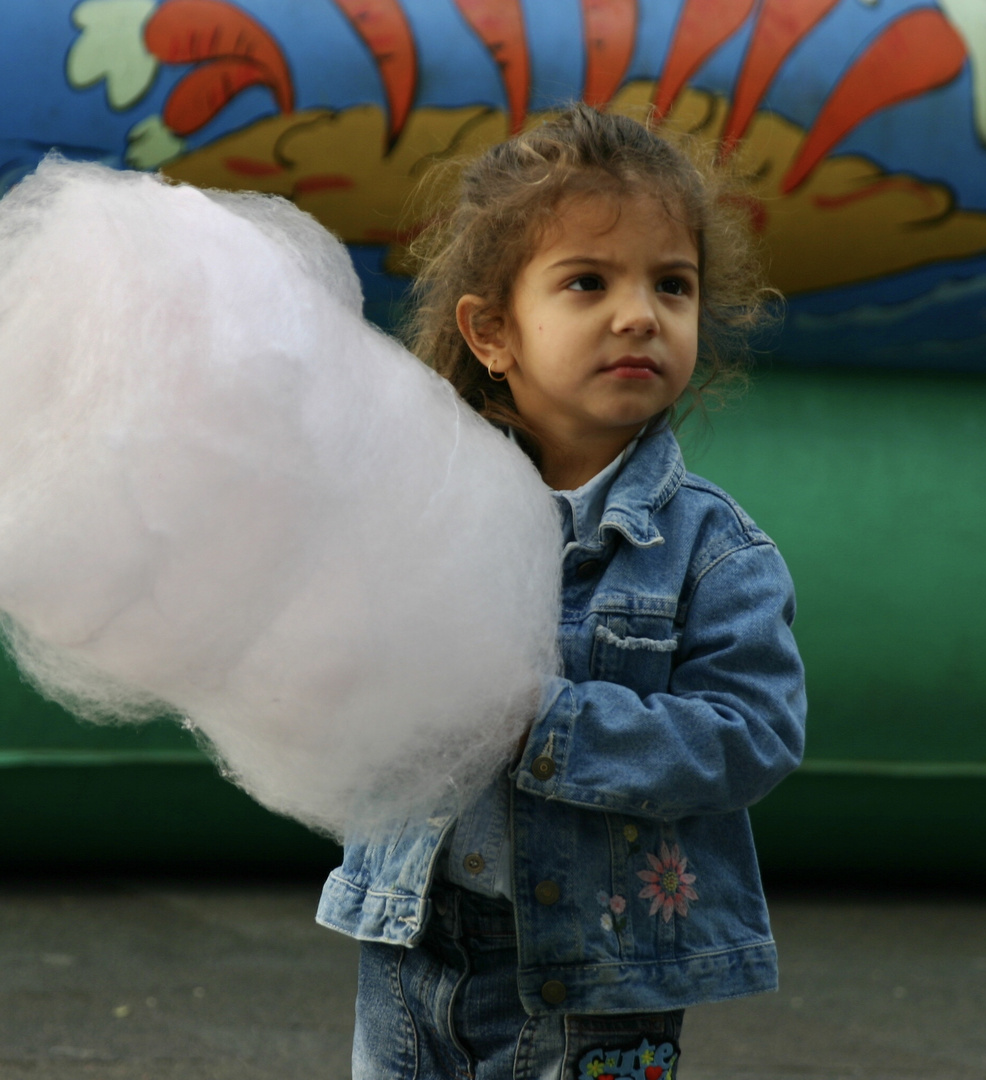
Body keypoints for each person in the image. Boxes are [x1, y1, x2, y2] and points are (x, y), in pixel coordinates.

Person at [315, 105, 807, 1078]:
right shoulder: (416, 517)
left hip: (599, 979)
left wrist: (544, 726)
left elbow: (753, 733)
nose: (640, 314)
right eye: (588, 281)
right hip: (413, 949)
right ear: (492, 331)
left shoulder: (712, 551)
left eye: (673, 284)